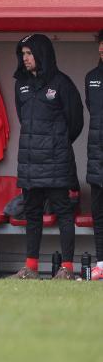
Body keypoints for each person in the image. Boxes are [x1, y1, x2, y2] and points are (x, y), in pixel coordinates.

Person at [10, 34, 84, 280]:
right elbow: (24, 119)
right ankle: (30, 268)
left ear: (42, 54)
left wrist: (56, 143)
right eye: (23, 54)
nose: (25, 58)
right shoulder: (20, 84)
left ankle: (67, 269)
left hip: (57, 163)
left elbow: (75, 122)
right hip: (30, 164)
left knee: (64, 214)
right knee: (32, 215)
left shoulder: (62, 84)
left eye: (29, 54)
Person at [85, 30, 103, 281]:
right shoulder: (91, 78)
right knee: (99, 215)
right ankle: (101, 264)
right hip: (96, 158)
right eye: (100, 47)